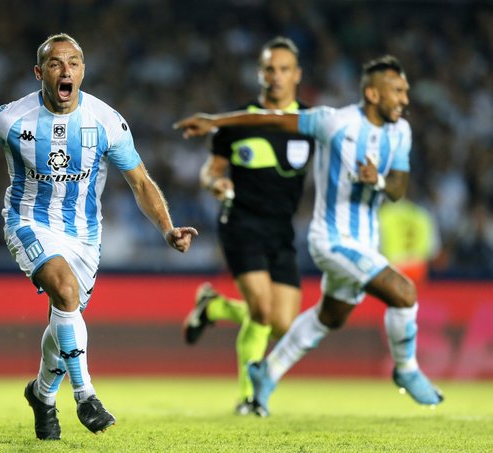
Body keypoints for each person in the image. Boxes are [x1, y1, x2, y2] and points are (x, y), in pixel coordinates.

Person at [0, 33, 198, 440]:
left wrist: (167, 228)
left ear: (83, 71)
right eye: (55, 63)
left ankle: (42, 395)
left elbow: (140, 182)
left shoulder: (106, 121)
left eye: (73, 63)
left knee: (65, 317)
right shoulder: (11, 119)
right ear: (39, 72)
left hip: (85, 236)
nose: (66, 70)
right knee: (65, 292)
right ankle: (85, 395)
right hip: (28, 222)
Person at [175, 55, 443, 415]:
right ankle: (406, 369)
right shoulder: (334, 122)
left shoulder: (401, 132)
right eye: (397, 91)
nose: (404, 99)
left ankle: (266, 374)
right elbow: (268, 119)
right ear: (373, 94)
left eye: (405, 91)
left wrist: (377, 180)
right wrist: (215, 121)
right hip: (331, 239)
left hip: (365, 243)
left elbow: (398, 188)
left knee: (328, 318)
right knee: (404, 293)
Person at [181, 37, 314, 416]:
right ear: (260, 74)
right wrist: (216, 184)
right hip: (241, 223)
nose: (277, 76)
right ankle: (250, 399)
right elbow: (211, 171)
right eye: (270, 69)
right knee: (261, 310)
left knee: (283, 324)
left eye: (284, 69)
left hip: (281, 230)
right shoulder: (236, 123)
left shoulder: (309, 122)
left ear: (297, 75)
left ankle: (215, 307)